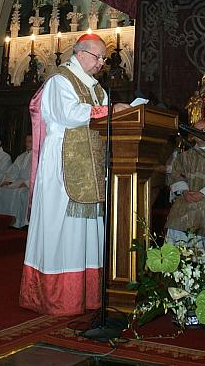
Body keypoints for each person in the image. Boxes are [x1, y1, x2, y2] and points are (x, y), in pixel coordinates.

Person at [19, 33, 131, 317]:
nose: (102, 63)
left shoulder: (98, 89)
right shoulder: (60, 80)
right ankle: (57, 297)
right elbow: (68, 113)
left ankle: (86, 294)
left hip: (90, 167)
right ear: (81, 54)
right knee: (62, 228)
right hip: (61, 167)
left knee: (87, 231)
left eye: (103, 58)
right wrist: (108, 110)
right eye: (98, 57)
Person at [165, 120, 205, 257]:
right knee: (175, 215)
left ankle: (203, 263)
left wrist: (202, 194)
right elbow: (176, 174)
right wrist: (184, 191)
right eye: (197, 131)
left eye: (204, 131)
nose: (200, 134)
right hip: (187, 196)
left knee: (202, 212)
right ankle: (176, 261)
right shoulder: (185, 156)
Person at [0, 135, 33, 228]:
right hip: (18, 181)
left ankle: (18, 222)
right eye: (26, 141)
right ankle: (1, 218)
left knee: (20, 193)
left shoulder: (39, 156)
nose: (27, 144)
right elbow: (14, 170)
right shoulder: (21, 156)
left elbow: (38, 173)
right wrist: (8, 180)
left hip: (29, 184)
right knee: (0, 190)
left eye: (30, 141)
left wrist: (27, 183)